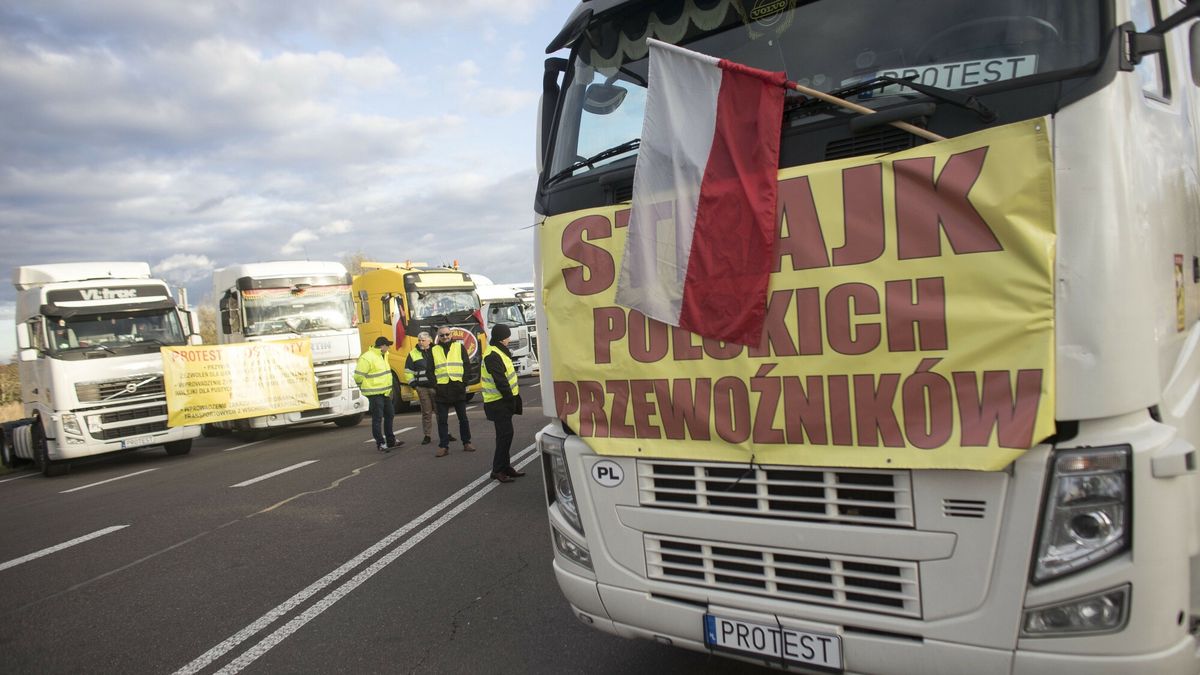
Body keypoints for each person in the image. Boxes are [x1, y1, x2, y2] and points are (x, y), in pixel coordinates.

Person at [482, 323, 525, 483]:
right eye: (507, 336)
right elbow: (500, 380)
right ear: (502, 338)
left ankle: (505, 467)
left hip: (502, 401)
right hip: (498, 402)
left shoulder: (498, 352)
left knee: (506, 435)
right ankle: (498, 470)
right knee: (504, 436)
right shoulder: (493, 354)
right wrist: (509, 399)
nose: (509, 339)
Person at [355, 336, 403, 452]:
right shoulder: (367, 358)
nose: (389, 347)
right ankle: (380, 443)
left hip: (385, 392)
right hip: (374, 393)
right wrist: (364, 387)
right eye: (387, 345)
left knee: (390, 414)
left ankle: (391, 440)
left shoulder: (384, 355)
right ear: (382, 346)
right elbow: (358, 376)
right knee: (377, 418)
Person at [432, 326, 474, 457]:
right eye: (442, 335)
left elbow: (467, 365)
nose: (445, 337)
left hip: (457, 388)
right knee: (442, 420)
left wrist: (463, 383)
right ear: (438, 337)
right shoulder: (433, 350)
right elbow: (429, 370)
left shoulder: (459, 347)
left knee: (463, 418)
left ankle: (466, 442)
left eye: (447, 334)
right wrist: (435, 386)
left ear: (451, 335)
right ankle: (443, 446)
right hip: (442, 389)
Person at [404, 331, 437, 444]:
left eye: (423, 340)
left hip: (436, 387)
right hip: (422, 388)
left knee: (440, 411)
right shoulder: (413, 353)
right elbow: (408, 371)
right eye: (419, 340)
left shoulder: (437, 350)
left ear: (429, 340)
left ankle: (445, 433)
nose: (421, 342)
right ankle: (427, 435)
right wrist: (414, 385)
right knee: (426, 412)